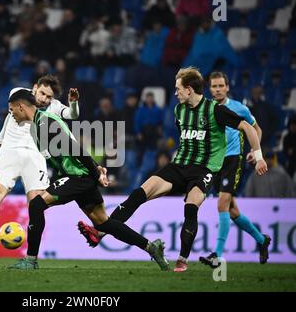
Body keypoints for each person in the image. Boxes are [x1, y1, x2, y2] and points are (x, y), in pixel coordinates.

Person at [77, 67, 268, 272]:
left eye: (178, 89)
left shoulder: (216, 110)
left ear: (189, 89)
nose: (175, 93)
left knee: (191, 208)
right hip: (179, 166)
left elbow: (248, 128)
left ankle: (182, 260)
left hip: (203, 170)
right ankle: (100, 233)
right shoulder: (179, 110)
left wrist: (258, 157)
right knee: (138, 194)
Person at [6, 89, 169, 271]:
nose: (11, 114)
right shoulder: (38, 125)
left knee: (36, 205)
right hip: (78, 176)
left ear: (21, 106)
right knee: (104, 223)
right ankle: (151, 247)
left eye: (12, 110)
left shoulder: (45, 123)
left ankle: (30, 260)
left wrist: (95, 172)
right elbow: (62, 156)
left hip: (78, 176)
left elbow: (75, 148)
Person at [0, 75, 80, 244]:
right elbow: (9, 116)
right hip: (10, 151)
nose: (44, 99)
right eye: (42, 93)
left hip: (35, 155)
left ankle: (31, 248)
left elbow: (72, 115)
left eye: (49, 97)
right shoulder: (19, 93)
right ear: (34, 88)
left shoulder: (53, 107)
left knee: (36, 202)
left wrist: (73, 103)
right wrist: (0, 140)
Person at [199, 72, 271, 268]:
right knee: (232, 211)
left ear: (227, 87)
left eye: (221, 85)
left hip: (233, 160)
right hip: (215, 162)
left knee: (222, 204)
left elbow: (257, 130)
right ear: (209, 89)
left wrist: (255, 154)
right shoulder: (206, 109)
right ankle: (261, 240)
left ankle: (217, 255)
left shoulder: (239, 108)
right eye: (214, 86)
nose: (218, 89)